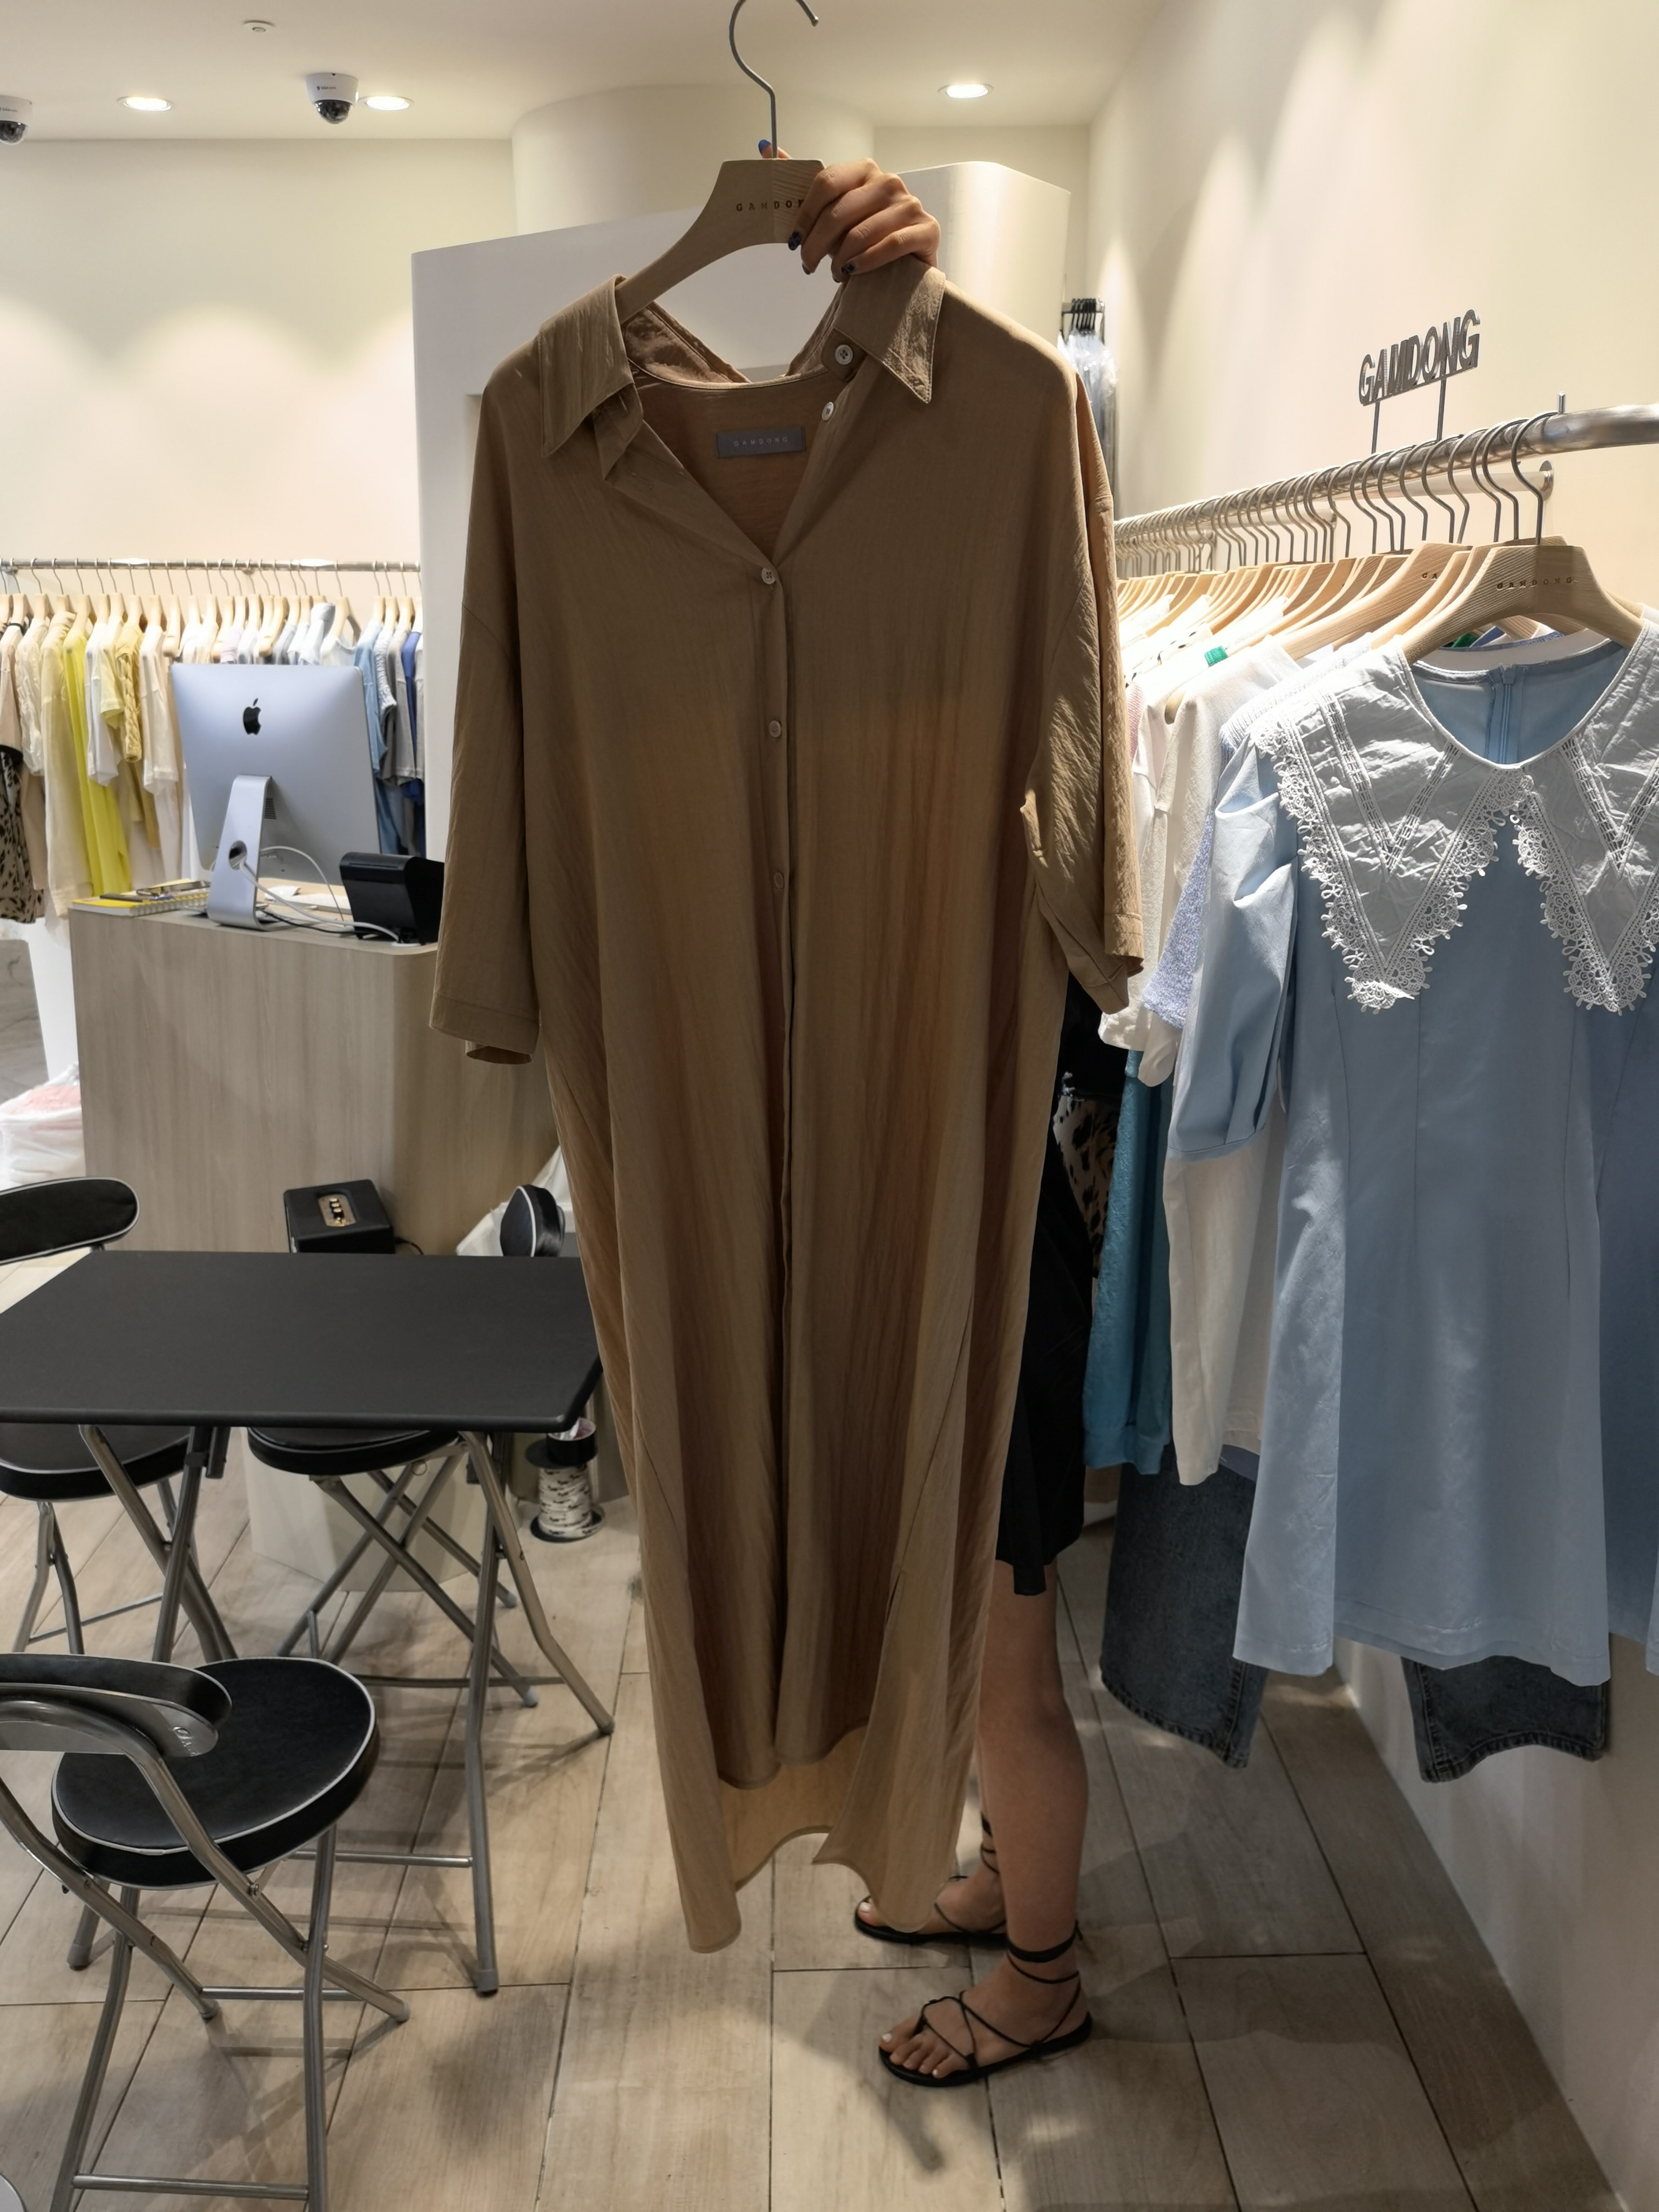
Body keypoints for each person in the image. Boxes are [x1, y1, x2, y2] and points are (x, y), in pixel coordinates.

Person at [767, 149, 1121, 2087]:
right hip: (967, 1200)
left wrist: (920, 298)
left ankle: (1042, 1979)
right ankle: (1006, 1884)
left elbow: (1088, 892)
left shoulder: (1016, 438)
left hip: (999, 1222)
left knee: (1009, 1644)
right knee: (988, 1630)